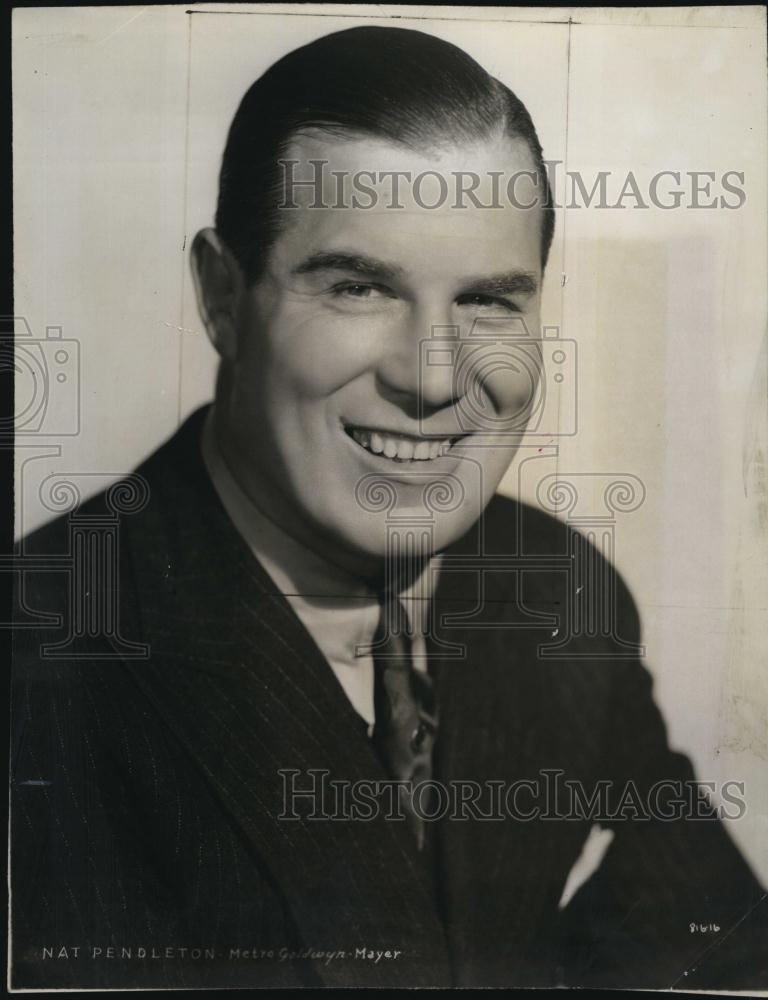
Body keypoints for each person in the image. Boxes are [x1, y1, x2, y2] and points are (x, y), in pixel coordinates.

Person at [10, 25, 766, 991]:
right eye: (359, 287)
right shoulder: (44, 662)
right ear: (221, 297)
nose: (433, 378)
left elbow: (724, 952)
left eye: (490, 301)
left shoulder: (562, 591)